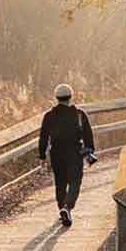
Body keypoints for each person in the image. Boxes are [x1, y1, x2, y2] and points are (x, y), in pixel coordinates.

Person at [37, 83, 95, 226]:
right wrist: (90, 150)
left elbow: (43, 137)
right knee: (75, 181)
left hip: (56, 153)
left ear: (56, 98)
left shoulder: (49, 116)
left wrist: (42, 155)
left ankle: (62, 209)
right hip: (75, 152)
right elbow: (88, 134)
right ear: (71, 96)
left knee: (60, 182)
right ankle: (67, 207)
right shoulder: (80, 114)